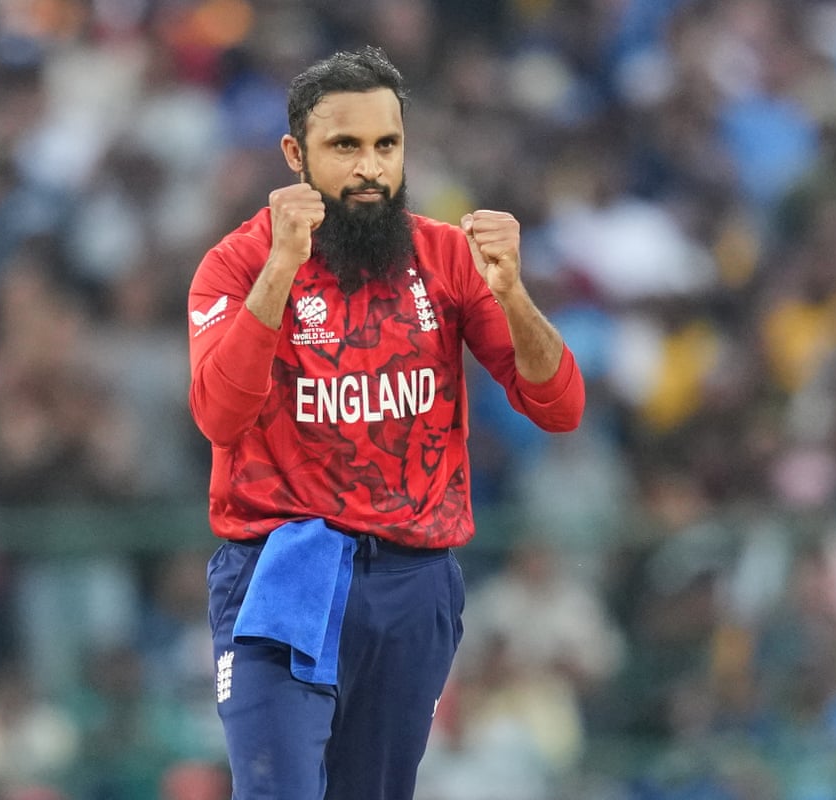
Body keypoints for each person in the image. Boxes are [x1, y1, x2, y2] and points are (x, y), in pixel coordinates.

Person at [186, 45, 585, 800]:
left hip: (413, 578)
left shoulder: (447, 258)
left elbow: (559, 408)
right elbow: (219, 412)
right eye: (345, 147)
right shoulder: (236, 265)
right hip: (284, 567)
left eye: (386, 145)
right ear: (295, 155)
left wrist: (514, 296)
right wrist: (279, 269)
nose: (370, 168)